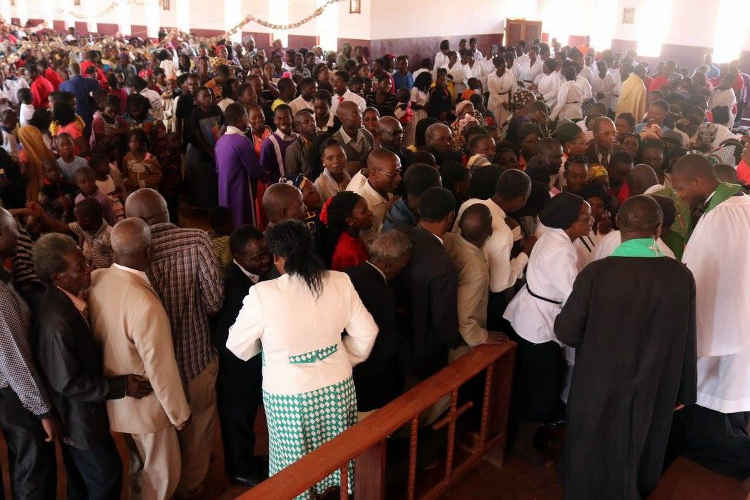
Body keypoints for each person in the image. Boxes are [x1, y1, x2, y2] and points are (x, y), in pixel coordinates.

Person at [555, 195, 697, 499]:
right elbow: (686, 337)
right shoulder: (680, 276)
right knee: (641, 445)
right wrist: (685, 389)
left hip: (598, 382)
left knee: (592, 446)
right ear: (658, 230)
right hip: (653, 383)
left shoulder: (596, 274)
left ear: (618, 227)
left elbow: (567, 332)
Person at [227, 220, 378, 498]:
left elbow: (237, 345)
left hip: (288, 394)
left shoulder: (263, 294)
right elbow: (367, 332)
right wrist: (341, 357)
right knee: (338, 452)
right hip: (336, 385)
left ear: (277, 258)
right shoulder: (339, 281)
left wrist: (272, 350)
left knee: (294, 465)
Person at [32, 233, 152, 500]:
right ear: (58, 278)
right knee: (106, 478)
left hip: (81, 418)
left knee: (84, 482)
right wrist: (122, 385)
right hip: (80, 421)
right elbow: (68, 381)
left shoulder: (66, 303)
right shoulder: (57, 321)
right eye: (80, 268)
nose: (88, 270)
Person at [125, 188, 223, 497]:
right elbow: (214, 301)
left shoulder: (122, 252)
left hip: (148, 374)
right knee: (199, 429)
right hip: (195, 358)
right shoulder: (196, 240)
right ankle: (192, 487)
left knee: (157, 443)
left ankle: (163, 489)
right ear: (165, 211)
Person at [89, 218, 191, 500]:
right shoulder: (145, 303)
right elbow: (160, 367)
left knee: (137, 468)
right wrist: (179, 413)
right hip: (147, 406)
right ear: (149, 251)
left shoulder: (98, 279)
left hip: (115, 400)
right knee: (161, 478)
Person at [671, 155, 750, 478]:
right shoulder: (744, 202)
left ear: (699, 182)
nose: (679, 196)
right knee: (736, 394)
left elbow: (696, 279)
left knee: (715, 397)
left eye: (680, 188)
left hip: (723, 326)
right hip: (743, 320)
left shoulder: (718, 217)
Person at [504, 193, 592, 424]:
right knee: (544, 379)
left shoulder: (554, 236)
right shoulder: (560, 249)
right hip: (539, 321)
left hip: (533, 311)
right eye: (586, 218)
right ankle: (538, 425)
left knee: (536, 374)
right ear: (569, 222)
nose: (591, 221)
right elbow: (573, 293)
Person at [0, 207, 58, 500]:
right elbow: (15, 361)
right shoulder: (0, 296)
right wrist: (42, 410)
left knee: (23, 460)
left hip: (12, 391)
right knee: (33, 466)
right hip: (15, 394)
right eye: (13, 229)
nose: (18, 234)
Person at [213, 225, 273, 486]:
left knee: (249, 418)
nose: (264, 260)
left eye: (265, 253)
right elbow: (226, 336)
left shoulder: (264, 274)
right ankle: (239, 469)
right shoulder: (230, 285)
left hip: (255, 364)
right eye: (256, 257)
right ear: (237, 257)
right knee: (238, 420)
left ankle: (247, 461)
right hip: (236, 368)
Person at [345, 229, 412, 419]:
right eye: (404, 263)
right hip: (371, 380)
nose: (405, 267)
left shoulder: (347, 275)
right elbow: (385, 346)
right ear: (389, 264)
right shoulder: (383, 295)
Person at [402, 187, 459, 380]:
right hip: (428, 348)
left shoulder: (404, 235)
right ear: (451, 216)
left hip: (403, 338)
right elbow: (443, 317)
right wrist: (453, 341)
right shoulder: (442, 264)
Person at [444, 203, 504, 356]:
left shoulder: (448, 238)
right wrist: (483, 336)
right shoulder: (477, 270)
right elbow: (466, 316)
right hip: (463, 342)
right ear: (489, 231)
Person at [215, 102, 262, 228]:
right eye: (246, 116)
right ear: (241, 118)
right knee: (244, 224)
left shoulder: (220, 141)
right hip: (240, 192)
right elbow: (254, 171)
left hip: (224, 191)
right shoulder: (242, 141)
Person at [346, 149, 402, 239]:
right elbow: (373, 247)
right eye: (393, 174)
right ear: (373, 173)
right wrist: (388, 215)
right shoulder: (364, 207)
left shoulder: (384, 187)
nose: (399, 178)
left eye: (399, 171)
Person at [322, 191, 373, 271]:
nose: (370, 213)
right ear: (350, 221)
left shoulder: (353, 235)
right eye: (364, 212)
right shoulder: (349, 253)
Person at [383, 163, 441, 231]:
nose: (440, 196)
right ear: (426, 194)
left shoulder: (405, 206)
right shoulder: (402, 230)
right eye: (437, 192)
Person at [331, 101, 373, 173]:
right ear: (341, 118)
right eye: (355, 114)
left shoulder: (367, 135)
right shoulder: (335, 142)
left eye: (360, 112)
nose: (360, 116)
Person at [59, 62, 99, 134]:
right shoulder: (93, 82)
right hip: (93, 115)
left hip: (75, 118)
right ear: (80, 70)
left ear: (69, 72)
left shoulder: (63, 85)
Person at [260, 104, 297, 181]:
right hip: (280, 188)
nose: (283, 121)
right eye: (279, 118)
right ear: (274, 120)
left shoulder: (299, 137)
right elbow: (265, 172)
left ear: (292, 118)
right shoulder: (269, 143)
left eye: (286, 117)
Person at [284, 109, 317, 178]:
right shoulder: (292, 150)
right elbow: (293, 177)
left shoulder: (323, 139)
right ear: (298, 127)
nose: (312, 123)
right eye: (306, 122)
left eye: (313, 120)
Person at [487, 56, 516, 128]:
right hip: (495, 99)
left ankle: (503, 135)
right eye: (498, 66)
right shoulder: (490, 76)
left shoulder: (510, 73)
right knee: (494, 119)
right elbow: (492, 91)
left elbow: (514, 87)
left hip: (507, 98)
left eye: (503, 65)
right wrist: (502, 102)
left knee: (505, 120)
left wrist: (512, 100)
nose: (501, 67)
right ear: (496, 66)